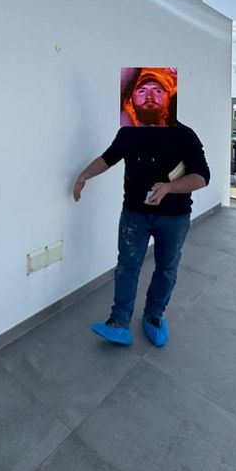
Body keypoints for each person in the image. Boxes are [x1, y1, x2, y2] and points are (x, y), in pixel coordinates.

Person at [72, 116, 210, 347]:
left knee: (166, 268)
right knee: (127, 266)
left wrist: (169, 188)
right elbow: (108, 158)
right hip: (134, 215)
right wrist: (83, 176)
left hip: (174, 218)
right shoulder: (129, 131)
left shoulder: (184, 134)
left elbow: (202, 176)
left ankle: (153, 317)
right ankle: (119, 322)